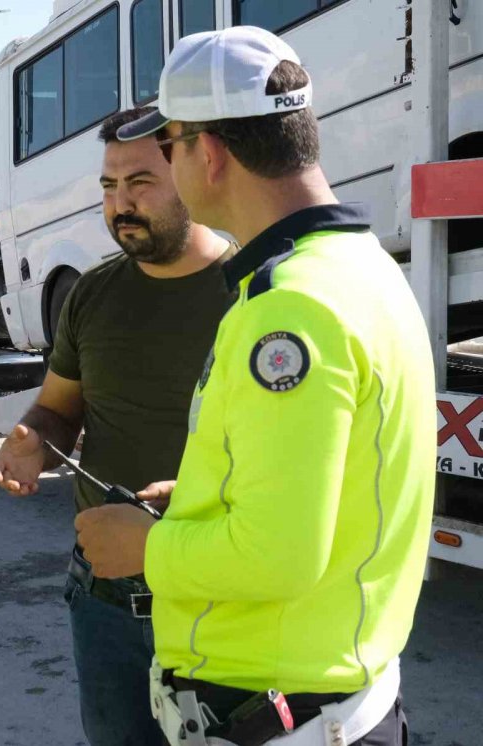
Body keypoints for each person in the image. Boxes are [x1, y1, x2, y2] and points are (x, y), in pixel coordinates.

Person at [75, 27, 435, 746]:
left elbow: (280, 554)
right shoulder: (359, 268)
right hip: (331, 693)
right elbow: (338, 483)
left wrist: (146, 547)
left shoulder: (290, 308)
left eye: (168, 148)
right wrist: (198, 502)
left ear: (207, 153)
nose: (170, 166)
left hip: (281, 715)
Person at [0, 109, 236, 746]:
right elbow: (58, 408)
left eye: (140, 183)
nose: (120, 204)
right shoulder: (92, 293)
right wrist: (31, 442)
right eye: (108, 186)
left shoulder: (254, 294)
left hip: (225, 602)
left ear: (191, 170)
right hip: (105, 606)